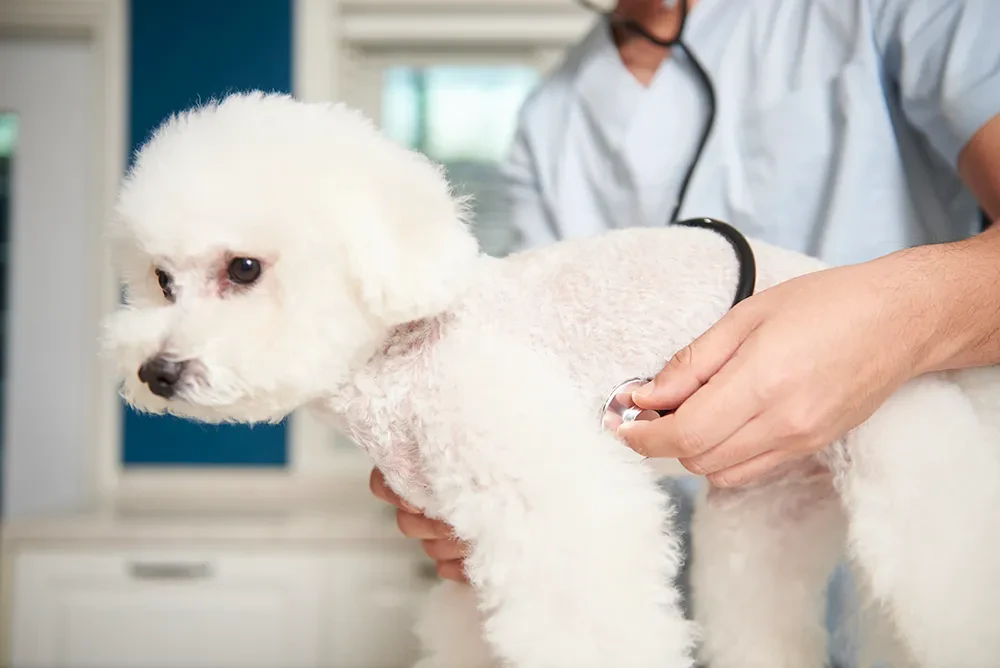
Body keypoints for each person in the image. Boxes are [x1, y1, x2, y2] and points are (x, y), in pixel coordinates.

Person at [370, 0, 999, 658]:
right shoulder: (551, 119)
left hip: (937, 493)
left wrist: (892, 325)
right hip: (702, 598)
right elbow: (545, 389)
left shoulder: (902, 12)